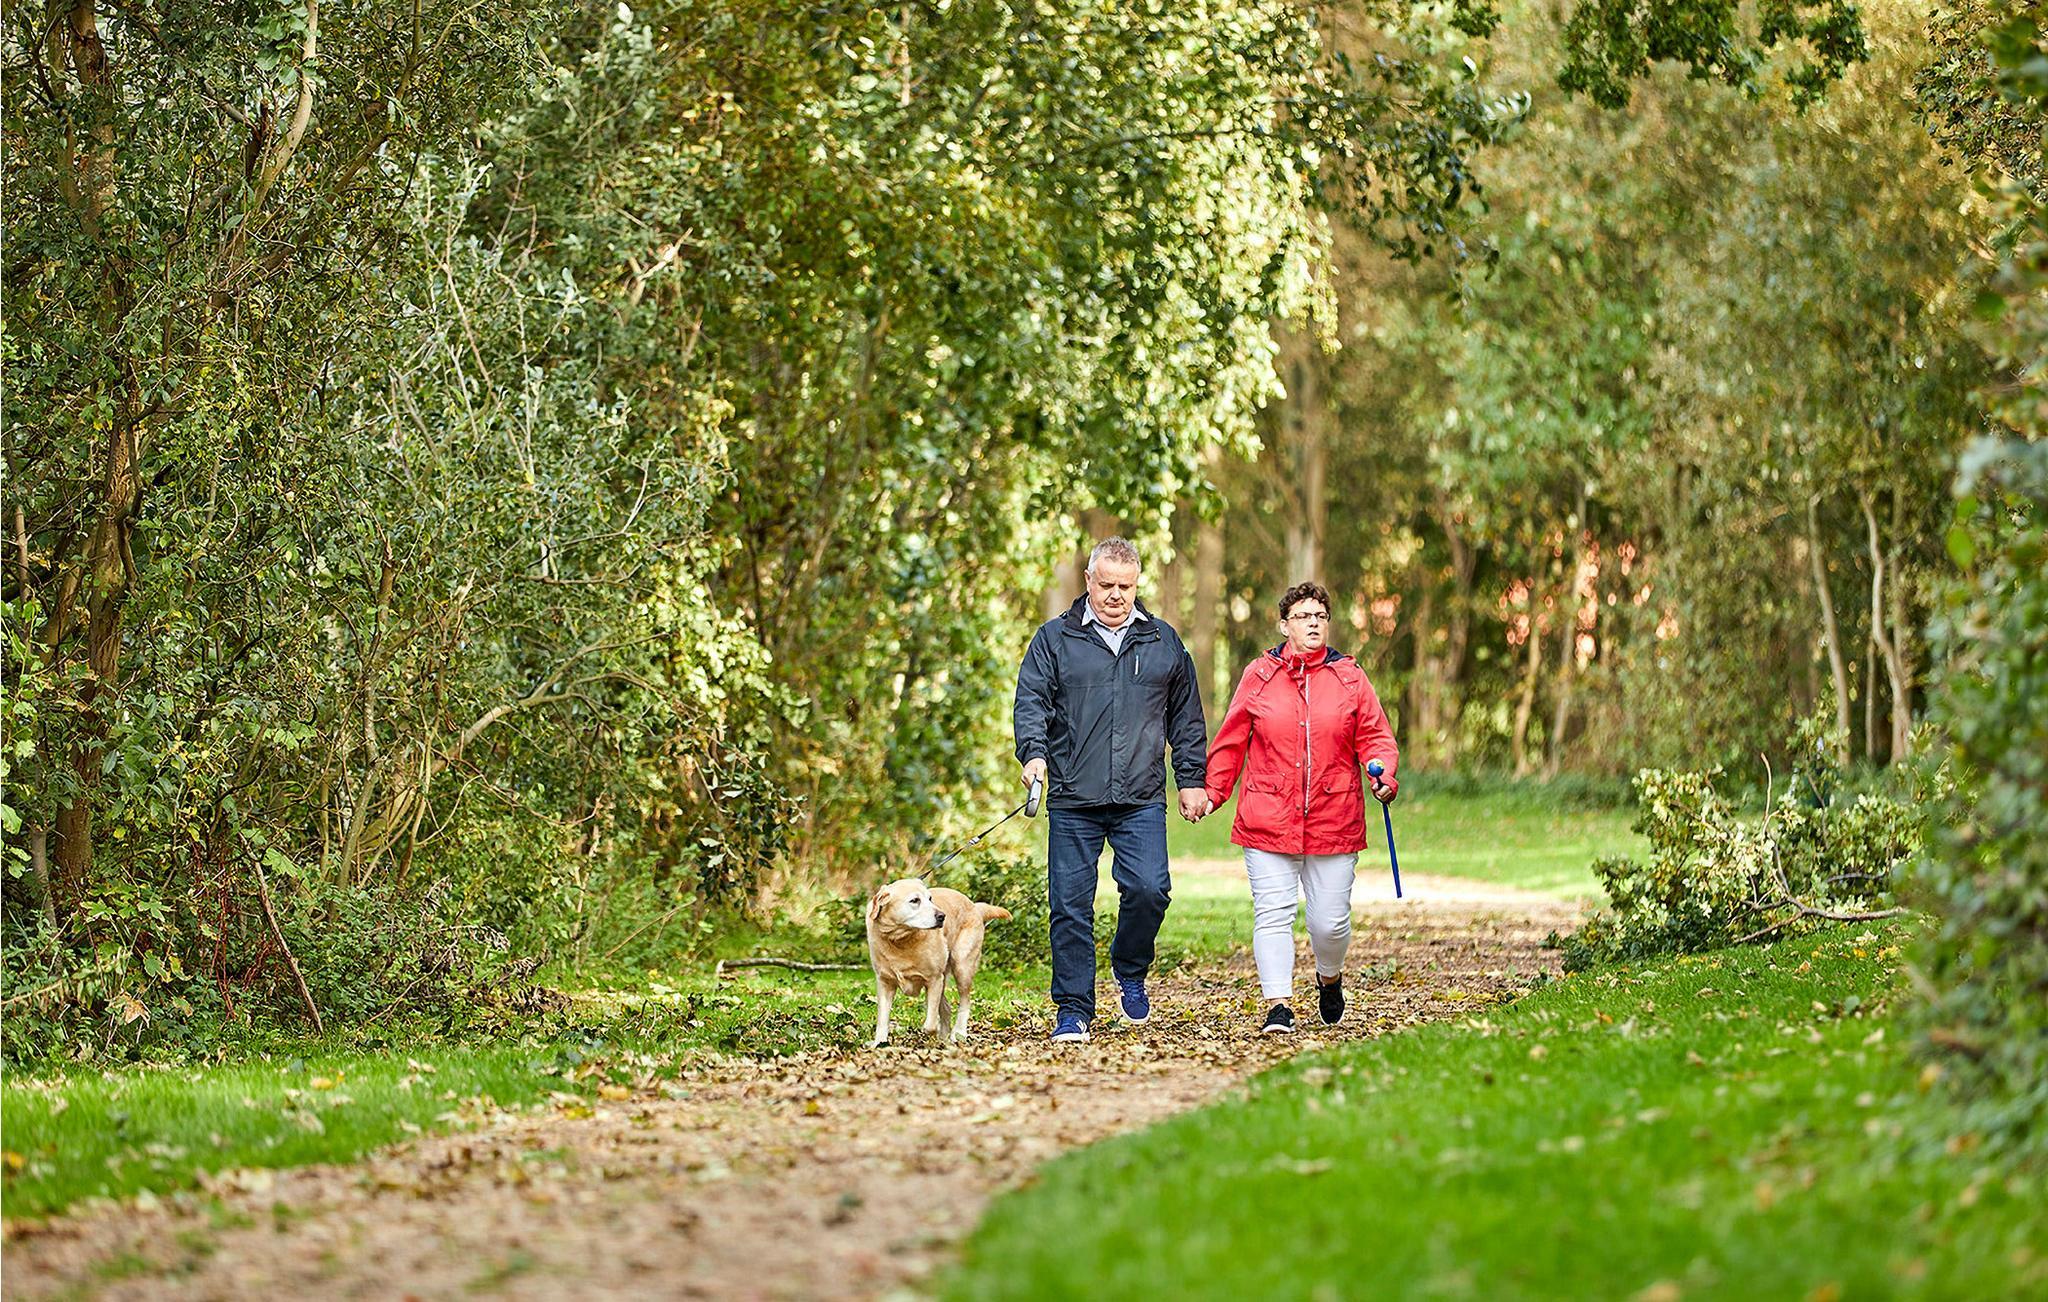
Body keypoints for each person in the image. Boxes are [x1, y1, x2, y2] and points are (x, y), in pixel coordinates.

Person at [1014, 537, 1212, 1043]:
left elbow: (1186, 718)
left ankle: (1129, 969)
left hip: (1140, 796)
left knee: (1150, 889)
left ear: (1137, 584)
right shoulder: (1054, 640)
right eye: (1106, 585)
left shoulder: (1162, 641)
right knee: (1069, 906)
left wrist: (1191, 779)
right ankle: (1074, 1010)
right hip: (1073, 797)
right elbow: (1031, 701)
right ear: (1088, 581)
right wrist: (1033, 753)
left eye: (1126, 586)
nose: (1116, 595)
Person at [1203, 581, 1399, 1034]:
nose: (1313, 623)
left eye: (1320, 616)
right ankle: (1278, 1005)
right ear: (1284, 625)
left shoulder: (1350, 677)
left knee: (1330, 924)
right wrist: (1213, 792)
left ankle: (1329, 978)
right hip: (1267, 817)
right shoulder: (1259, 675)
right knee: (1273, 912)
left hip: (1334, 816)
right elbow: (1232, 740)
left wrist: (1383, 777)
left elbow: (1375, 737)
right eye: (1303, 616)